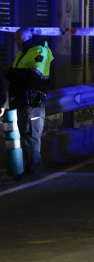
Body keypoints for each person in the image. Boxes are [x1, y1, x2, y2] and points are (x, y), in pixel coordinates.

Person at [6, 28, 53, 180]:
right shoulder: (24, 52)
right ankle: (29, 170)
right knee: (26, 136)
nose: (16, 42)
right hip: (22, 101)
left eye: (18, 39)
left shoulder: (39, 50)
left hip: (33, 103)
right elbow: (16, 74)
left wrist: (14, 74)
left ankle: (33, 171)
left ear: (25, 38)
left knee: (32, 137)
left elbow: (34, 76)